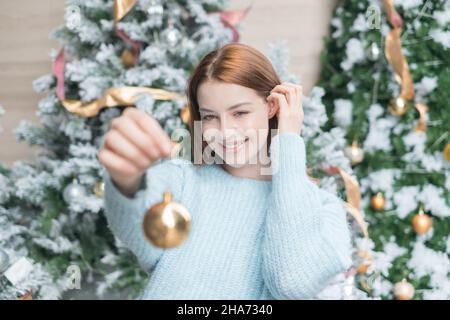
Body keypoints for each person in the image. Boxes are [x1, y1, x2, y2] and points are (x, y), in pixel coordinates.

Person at [98, 43, 352, 299]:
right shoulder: (183, 179)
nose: (225, 131)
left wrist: (288, 140)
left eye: (240, 113)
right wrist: (126, 179)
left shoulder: (325, 210)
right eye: (210, 117)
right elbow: (138, 228)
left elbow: (292, 284)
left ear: (272, 107)